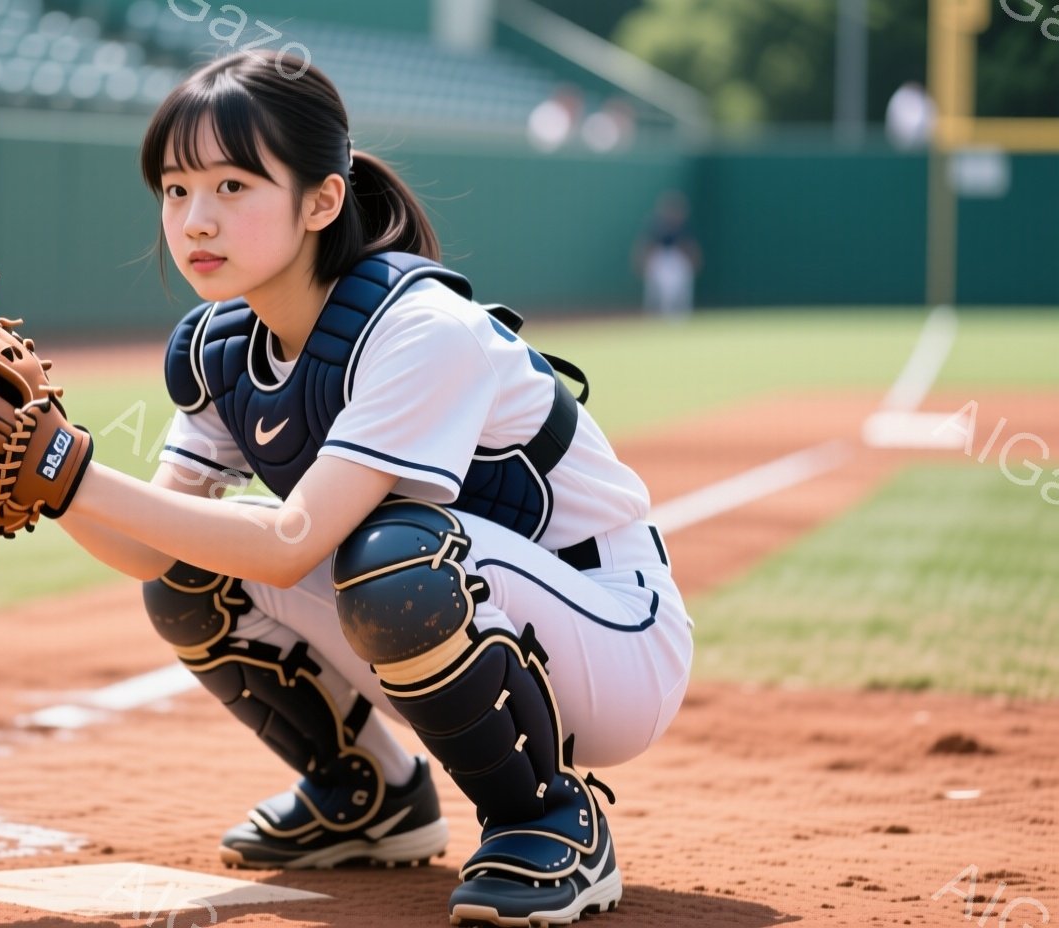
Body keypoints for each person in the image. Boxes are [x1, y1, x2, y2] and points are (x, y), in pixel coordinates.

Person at [50, 52, 693, 926]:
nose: (195, 219)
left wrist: (72, 469)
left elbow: (291, 543)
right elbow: (151, 545)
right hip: (449, 599)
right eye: (174, 189)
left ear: (322, 200)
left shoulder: (420, 330)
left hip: (613, 634)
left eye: (233, 186)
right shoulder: (218, 348)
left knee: (393, 556)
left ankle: (545, 815)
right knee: (185, 569)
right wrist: (44, 479)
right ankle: (370, 794)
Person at [634, 191, 700, 322]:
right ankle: (655, 316)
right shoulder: (656, 225)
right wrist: (642, 262)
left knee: (680, 289)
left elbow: (690, 246)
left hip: (677, 260)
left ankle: (680, 317)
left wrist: (694, 261)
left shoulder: (684, 226)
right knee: (658, 291)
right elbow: (646, 245)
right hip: (660, 260)